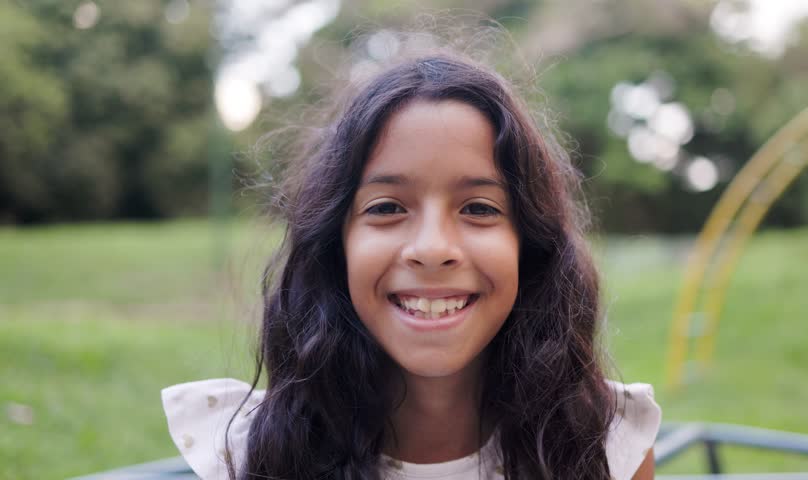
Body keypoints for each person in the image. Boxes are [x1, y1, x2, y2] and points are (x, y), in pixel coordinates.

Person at [162, 43, 661, 480]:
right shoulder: (249, 451)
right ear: (336, 245)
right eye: (387, 208)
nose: (432, 248)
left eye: (479, 209)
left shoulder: (605, 446)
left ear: (529, 245)